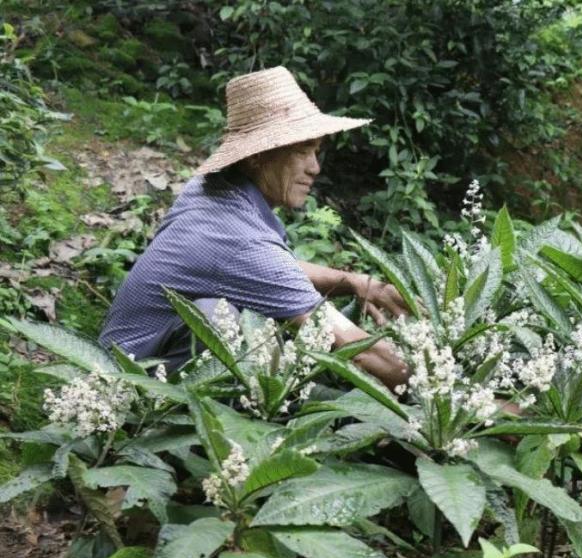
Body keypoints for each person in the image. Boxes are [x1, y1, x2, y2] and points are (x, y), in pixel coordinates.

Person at [98, 66, 408, 388]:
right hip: (126, 390)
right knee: (222, 317)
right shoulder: (238, 240)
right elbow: (357, 350)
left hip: (126, 358)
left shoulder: (209, 190)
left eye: (316, 150)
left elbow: (271, 269)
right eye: (301, 151)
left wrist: (353, 281)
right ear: (257, 157)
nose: (314, 167)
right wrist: (438, 379)